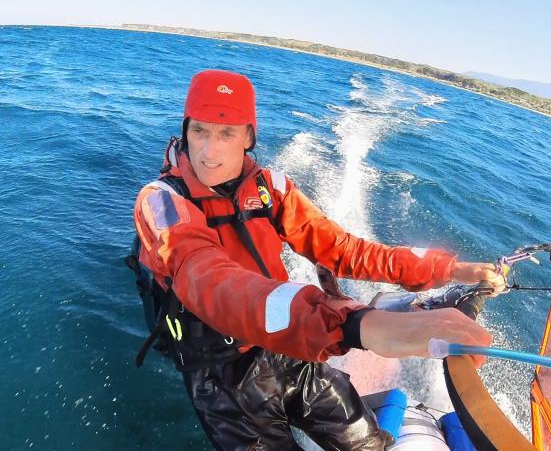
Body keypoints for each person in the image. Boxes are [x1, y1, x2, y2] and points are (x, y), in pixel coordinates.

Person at [133, 69, 505, 450]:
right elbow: (211, 282)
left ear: (248, 137)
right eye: (199, 130)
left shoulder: (270, 190)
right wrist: (356, 326)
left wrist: (449, 268)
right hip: (223, 381)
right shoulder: (161, 202)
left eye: (226, 133)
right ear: (185, 131)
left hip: (289, 350)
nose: (209, 152)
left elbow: (344, 249)